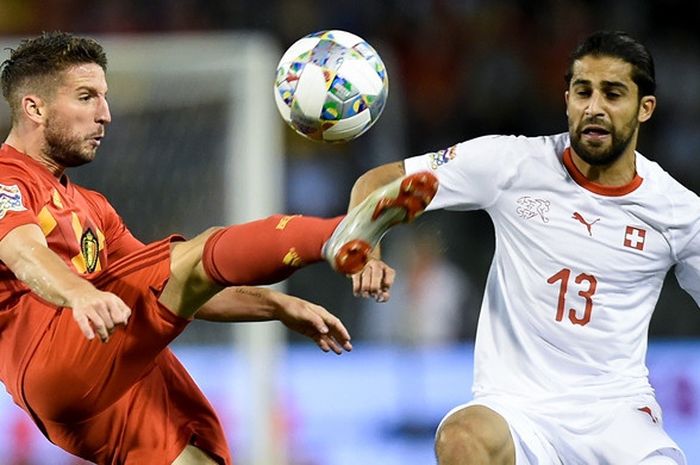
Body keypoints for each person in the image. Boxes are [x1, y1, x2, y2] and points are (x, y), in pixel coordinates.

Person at [0, 32, 438, 465]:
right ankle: (330, 234)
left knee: (195, 458)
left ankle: (333, 236)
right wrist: (80, 293)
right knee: (199, 250)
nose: (106, 115)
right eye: (86, 97)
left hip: (95, 377)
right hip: (48, 359)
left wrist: (276, 305)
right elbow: (23, 251)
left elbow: (175, 289)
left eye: (104, 97)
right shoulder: (7, 176)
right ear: (34, 107)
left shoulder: (91, 206)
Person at [348, 30, 696, 465]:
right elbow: (378, 182)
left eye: (613, 94)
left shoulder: (678, 211)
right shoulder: (510, 164)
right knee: (461, 436)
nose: (594, 108)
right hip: (515, 409)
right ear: (566, 98)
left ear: (645, 108)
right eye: (583, 91)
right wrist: (366, 244)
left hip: (616, 415)